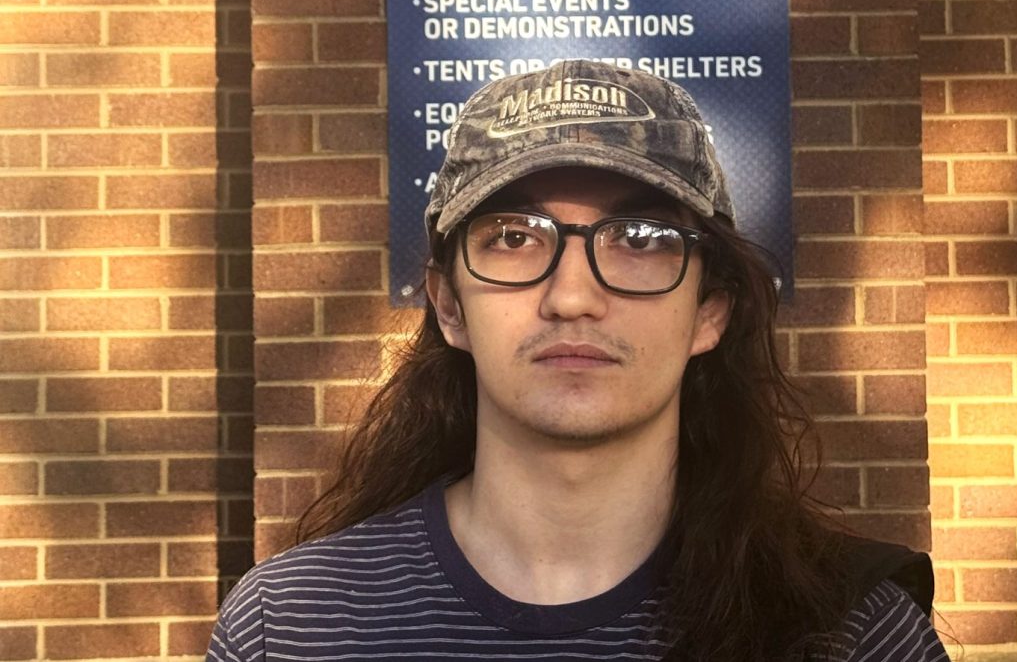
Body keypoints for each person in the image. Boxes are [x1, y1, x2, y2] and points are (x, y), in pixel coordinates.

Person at [206, 60, 950, 661]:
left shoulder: (846, 631)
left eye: (642, 239)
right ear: (450, 305)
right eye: (514, 238)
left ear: (710, 311)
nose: (571, 296)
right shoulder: (292, 626)